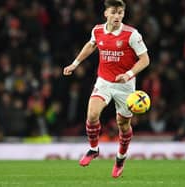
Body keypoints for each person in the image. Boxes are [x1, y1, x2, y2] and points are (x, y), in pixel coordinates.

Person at [63, 0, 149, 178]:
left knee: (123, 126)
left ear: (123, 14)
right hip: (104, 82)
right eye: (114, 12)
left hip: (125, 86)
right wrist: (74, 64)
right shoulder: (97, 30)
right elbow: (91, 45)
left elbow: (145, 60)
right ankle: (93, 149)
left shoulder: (132, 34)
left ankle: (120, 159)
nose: (117, 16)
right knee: (92, 114)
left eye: (120, 13)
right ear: (106, 14)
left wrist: (129, 73)